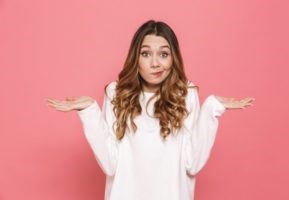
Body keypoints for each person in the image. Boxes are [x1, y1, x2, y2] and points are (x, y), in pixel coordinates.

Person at [46, 20, 254, 200]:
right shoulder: (116, 92)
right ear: (136, 57)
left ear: (173, 59)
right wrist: (89, 111)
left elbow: (193, 164)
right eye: (146, 54)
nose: (155, 63)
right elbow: (110, 164)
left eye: (163, 54)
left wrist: (211, 109)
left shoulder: (186, 94)